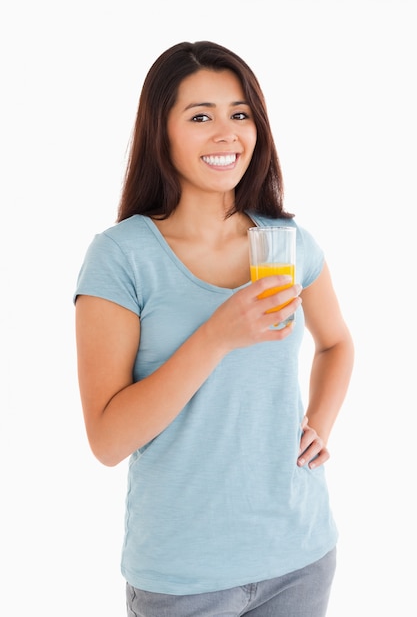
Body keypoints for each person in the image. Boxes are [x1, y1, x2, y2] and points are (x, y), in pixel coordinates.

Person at [74, 40, 354, 617]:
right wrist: (217, 334)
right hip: (182, 576)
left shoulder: (288, 244)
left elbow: (337, 343)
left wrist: (320, 421)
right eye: (200, 116)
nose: (226, 134)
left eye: (240, 114)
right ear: (162, 131)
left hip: (299, 556)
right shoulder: (121, 258)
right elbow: (107, 439)